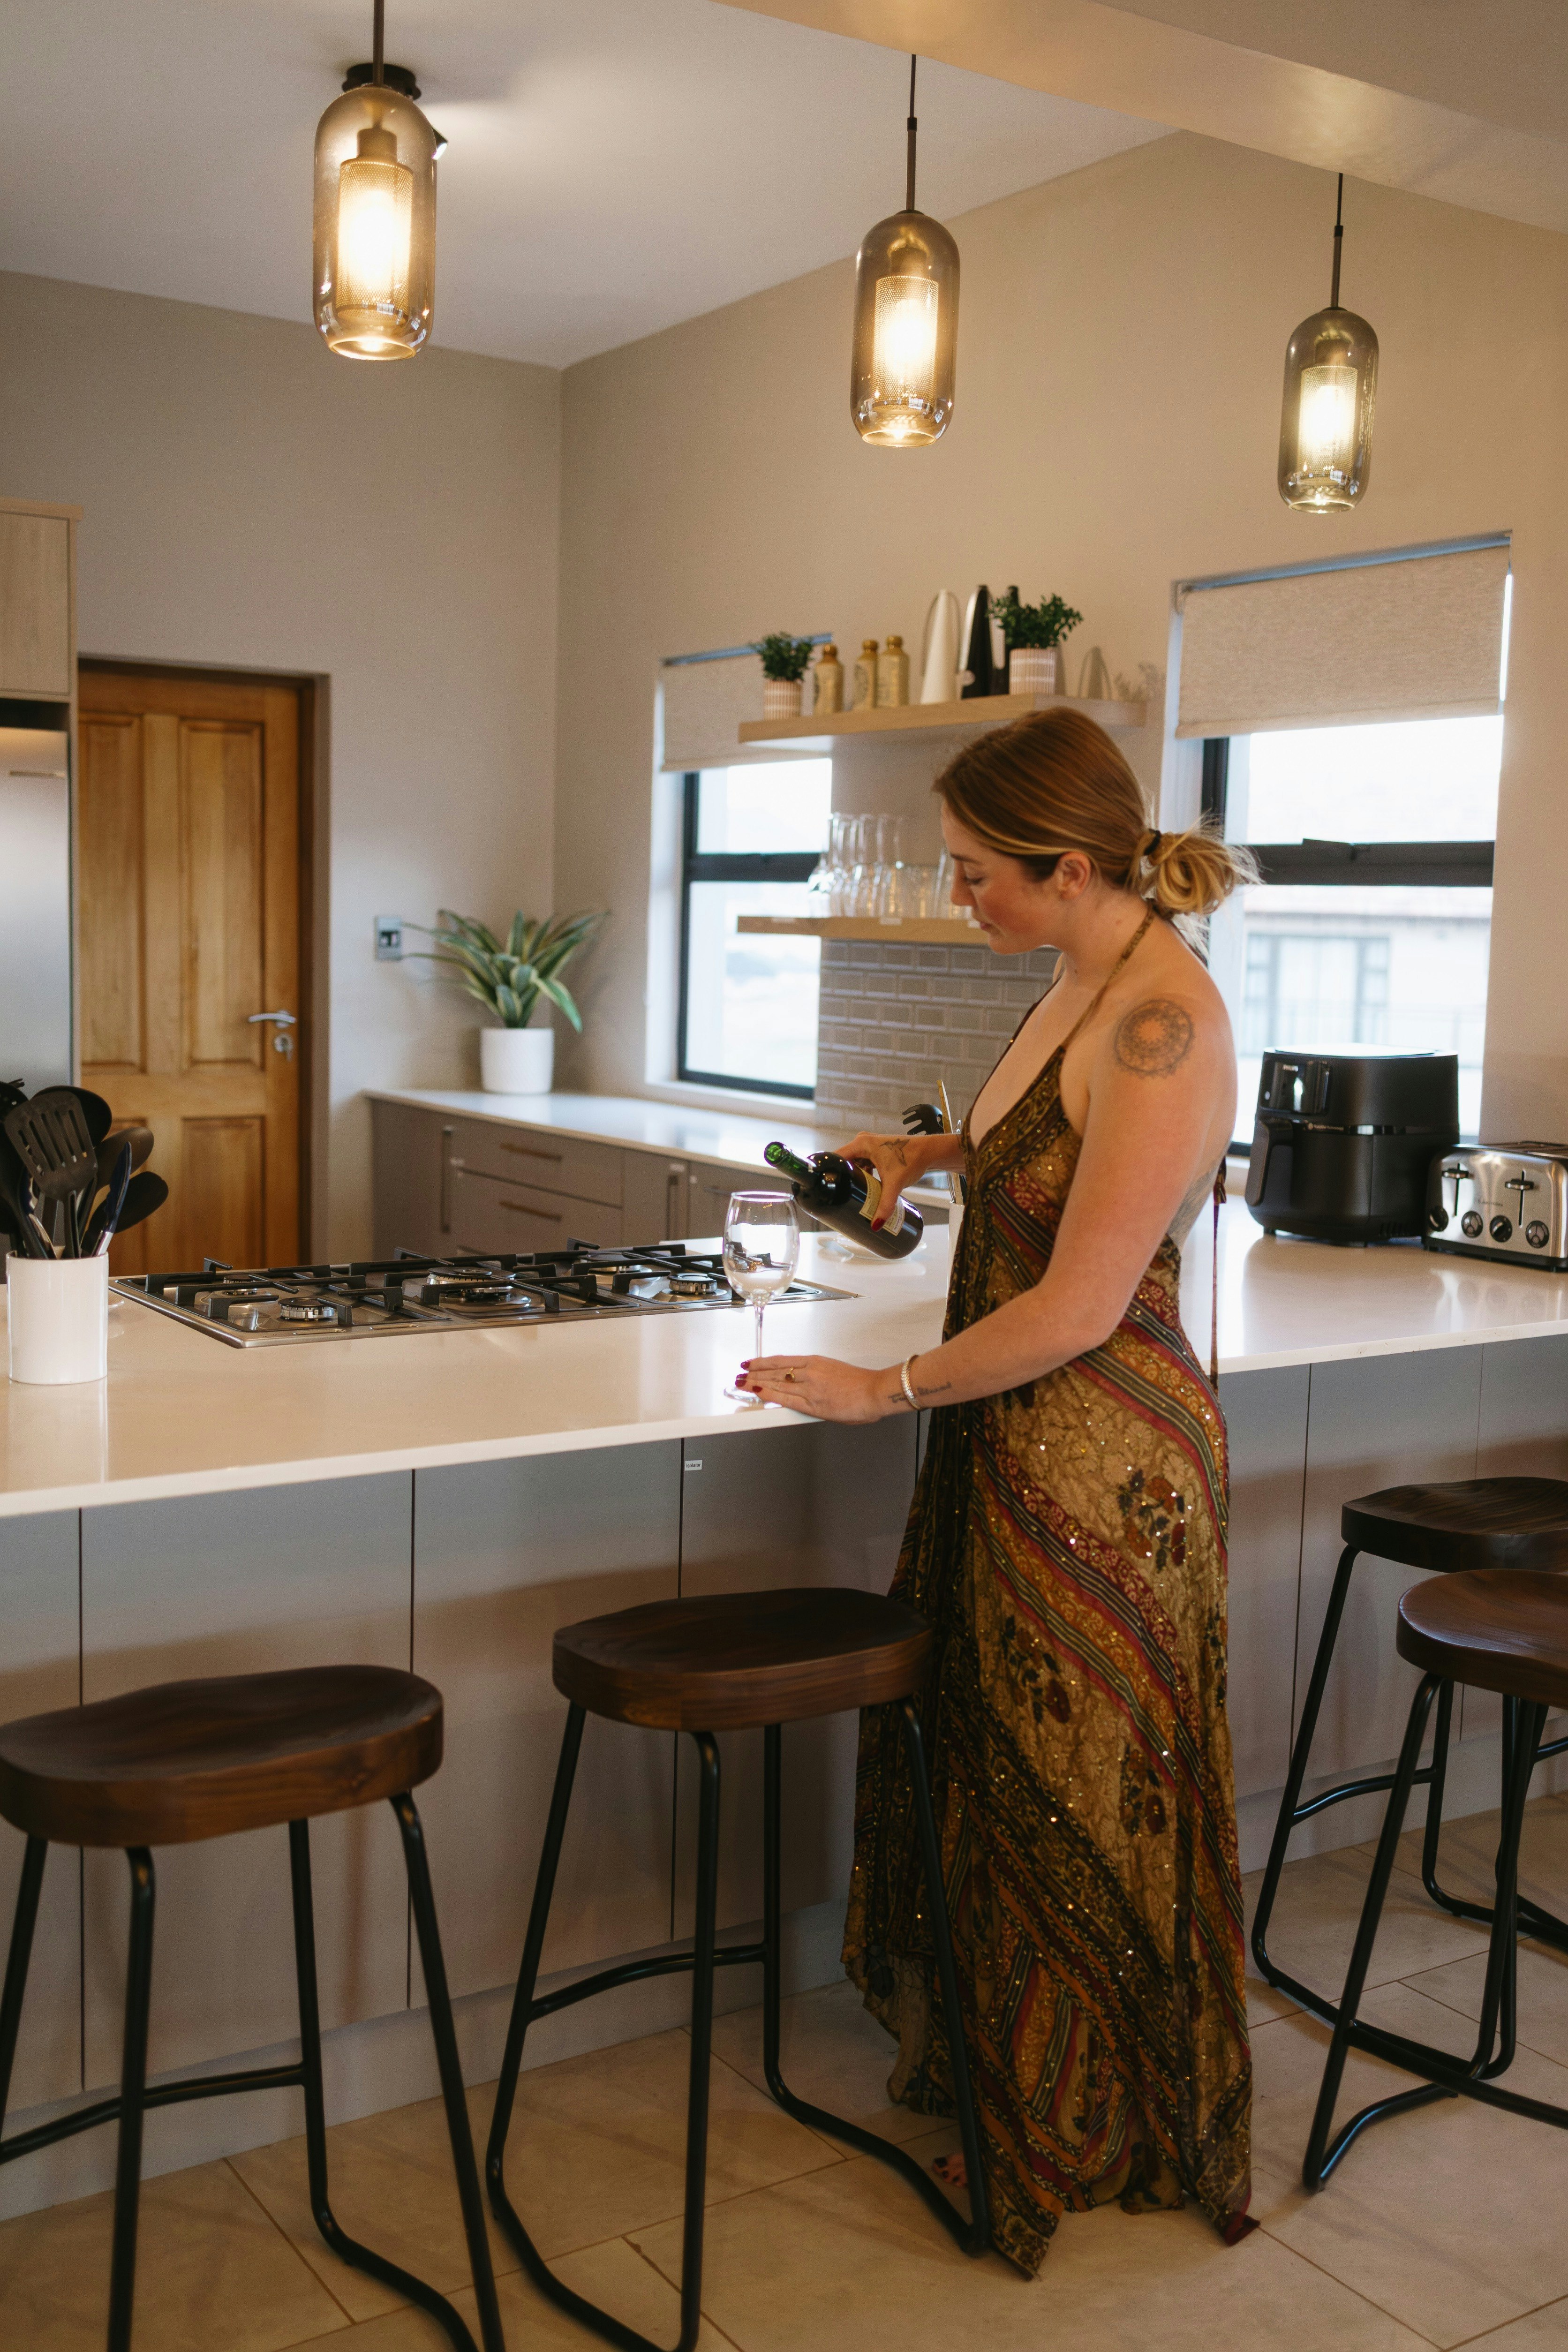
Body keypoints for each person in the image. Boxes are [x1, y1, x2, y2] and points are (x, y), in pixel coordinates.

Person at [738, 708, 1257, 2275]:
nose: (961, 895)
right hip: (1013, 1433)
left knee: (1077, 1792)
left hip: (1104, 1458)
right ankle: (1016, 2075)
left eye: (976, 873)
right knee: (1002, 1770)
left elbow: (1084, 1305)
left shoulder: (1166, 1023)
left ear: (1069, 867)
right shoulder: (1079, 975)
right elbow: (1049, 1150)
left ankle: (1082, 2120)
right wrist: (932, 1155)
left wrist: (878, 1387)